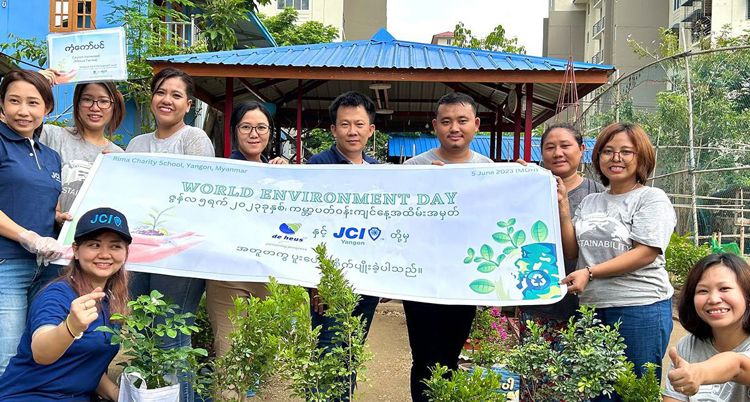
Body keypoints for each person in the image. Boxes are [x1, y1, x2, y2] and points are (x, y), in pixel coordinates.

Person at [559, 122, 675, 395]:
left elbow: (645, 252)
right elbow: (573, 251)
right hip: (592, 309)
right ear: (598, 156)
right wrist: (564, 208)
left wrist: (590, 272)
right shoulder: (591, 201)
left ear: (642, 157)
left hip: (639, 307)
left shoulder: (651, 198)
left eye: (626, 152)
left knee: (632, 391)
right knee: (595, 392)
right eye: (608, 151)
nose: (616, 158)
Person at [125, 67, 214, 402]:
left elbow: (199, 193)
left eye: (176, 95)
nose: (167, 100)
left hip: (180, 256)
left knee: (172, 338)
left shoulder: (194, 139)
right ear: (152, 98)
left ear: (188, 105)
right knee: (143, 332)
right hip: (139, 253)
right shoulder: (136, 144)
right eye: (161, 92)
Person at [402, 92, 492, 402]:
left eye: (462, 120)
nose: (455, 127)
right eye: (446, 121)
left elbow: (494, 221)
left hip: (464, 279)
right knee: (424, 357)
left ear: (476, 125)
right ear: (435, 126)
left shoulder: (490, 170)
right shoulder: (414, 168)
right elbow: (401, 223)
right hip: (421, 280)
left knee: (451, 357)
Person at [0, 207, 131, 401]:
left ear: (126, 252)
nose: (105, 254)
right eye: (94, 245)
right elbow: (41, 352)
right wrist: (71, 327)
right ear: (76, 250)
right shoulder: (57, 295)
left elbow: (85, 363)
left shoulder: (110, 299)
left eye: (115, 246)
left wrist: (118, 395)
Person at [206, 101, 286, 398]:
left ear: (270, 132)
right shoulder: (220, 171)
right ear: (234, 131)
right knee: (230, 361)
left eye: (261, 127)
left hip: (268, 278)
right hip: (227, 278)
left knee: (259, 362)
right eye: (246, 127)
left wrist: (289, 178)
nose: (254, 133)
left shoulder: (280, 174)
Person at [307, 91, 380, 401]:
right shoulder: (317, 166)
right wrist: (315, 283)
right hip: (330, 282)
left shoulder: (379, 171)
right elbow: (308, 227)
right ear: (333, 129)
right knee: (327, 355)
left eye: (359, 124)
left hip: (367, 283)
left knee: (351, 354)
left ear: (371, 130)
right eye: (345, 124)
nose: (353, 131)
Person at [33, 76, 126, 298]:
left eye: (103, 101)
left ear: (113, 106)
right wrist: (42, 82)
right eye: (87, 100)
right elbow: (14, 118)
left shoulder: (119, 156)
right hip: (48, 249)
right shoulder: (53, 135)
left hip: (90, 256)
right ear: (77, 103)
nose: (95, 107)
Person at [0, 70, 64, 375]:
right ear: (2, 104)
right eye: (14, 101)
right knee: (7, 358)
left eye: (33, 102)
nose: (23, 111)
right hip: (7, 265)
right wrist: (26, 235)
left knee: (35, 353)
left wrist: (56, 218)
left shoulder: (51, 156)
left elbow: (32, 200)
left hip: (46, 267)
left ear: (47, 108)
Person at [518, 123, 604, 339]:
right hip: (537, 302)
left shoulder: (598, 194)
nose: (558, 153)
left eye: (565, 145)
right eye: (550, 147)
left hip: (586, 305)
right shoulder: (524, 188)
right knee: (536, 370)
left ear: (581, 149)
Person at [663, 253, 750, 401]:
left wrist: (699, 373)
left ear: (747, 296)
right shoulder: (688, 346)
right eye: (703, 291)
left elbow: (738, 366)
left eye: (724, 288)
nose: (714, 299)